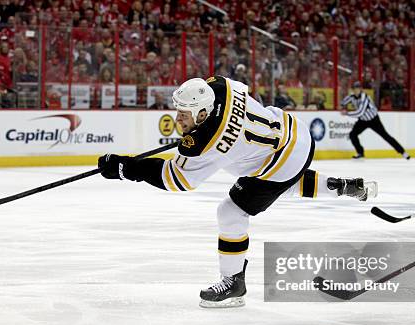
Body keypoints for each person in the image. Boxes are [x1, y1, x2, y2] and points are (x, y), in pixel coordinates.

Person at [97, 76, 377, 308]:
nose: (178, 119)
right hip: (294, 132)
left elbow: (177, 179)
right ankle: (342, 186)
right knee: (273, 177)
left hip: (281, 159)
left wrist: (125, 168)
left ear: (203, 113)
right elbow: (236, 94)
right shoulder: (220, 86)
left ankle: (234, 282)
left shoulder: (208, 142)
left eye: (184, 114)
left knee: (231, 212)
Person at [341, 81, 410, 160]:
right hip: (363, 120)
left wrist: (346, 113)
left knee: (385, 136)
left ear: (361, 89)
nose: (356, 90)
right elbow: (343, 102)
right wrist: (343, 107)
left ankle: (403, 152)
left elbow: (360, 112)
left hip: (373, 120)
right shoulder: (351, 97)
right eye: (354, 89)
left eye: (358, 88)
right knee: (352, 134)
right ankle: (360, 153)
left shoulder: (365, 97)